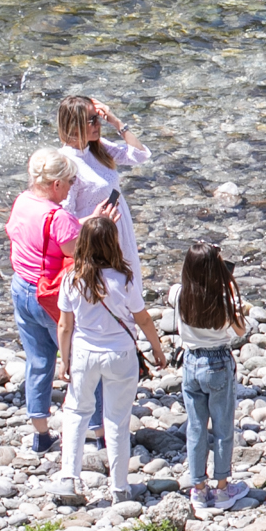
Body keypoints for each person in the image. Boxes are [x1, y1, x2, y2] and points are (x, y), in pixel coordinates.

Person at [54, 211, 165, 504]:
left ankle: (69, 478)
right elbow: (142, 319)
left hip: (85, 353)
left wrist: (63, 359)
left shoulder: (71, 280)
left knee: (76, 412)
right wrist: (156, 348)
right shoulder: (124, 279)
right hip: (120, 355)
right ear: (113, 244)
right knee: (116, 419)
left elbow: (65, 326)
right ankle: (119, 487)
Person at [5, 147, 84, 455]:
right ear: (56, 185)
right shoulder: (59, 216)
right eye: (70, 181)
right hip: (49, 295)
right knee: (77, 360)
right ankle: (94, 429)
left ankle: (40, 432)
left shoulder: (22, 202)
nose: (72, 186)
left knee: (38, 362)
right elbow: (75, 250)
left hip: (21, 286)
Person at [172, 244, 254, 510]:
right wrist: (232, 295)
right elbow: (240, 330)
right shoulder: (222, 297)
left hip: (191, 361)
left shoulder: (179, 293)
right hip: (218, 361)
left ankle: (198, 488)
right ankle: (221, 489)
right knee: (222, 428)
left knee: (195, 428)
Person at [56, 93, 149, 273]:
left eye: (98, 117)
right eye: (92, 120)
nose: (98, 124)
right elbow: (65, 220)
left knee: (127, 283)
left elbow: (140, 155)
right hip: (96, 235)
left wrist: (115, 121)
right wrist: (95, 219)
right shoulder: (66, 163)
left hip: (119, 226)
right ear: (74, 125)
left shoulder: (97, 147)